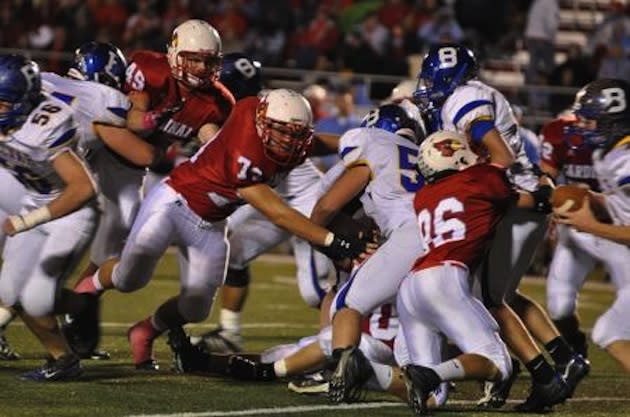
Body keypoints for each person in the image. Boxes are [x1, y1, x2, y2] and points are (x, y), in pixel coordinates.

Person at [67, 88, 372, 370]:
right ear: (263, 124)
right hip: (176, 201)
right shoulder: (247, 151)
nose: (288, 142)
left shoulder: (271, 127)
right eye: (281, 133)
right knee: (129, 278)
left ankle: (145, 330)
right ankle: (85, 292)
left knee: (196, 307)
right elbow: (279, 213)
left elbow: (311, 145)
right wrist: (334, 241)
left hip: (212, 221)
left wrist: (356, 147)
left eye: (296, 135)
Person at [414, 43, 585, 412]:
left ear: (449, 75)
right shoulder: (472, 95)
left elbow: (502, 155)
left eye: (430, 79)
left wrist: (473, 183)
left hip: (514, 203)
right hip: (520, 201)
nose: (426, 87)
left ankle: (544, 376)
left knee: (489, 301)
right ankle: (566, 359)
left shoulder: (462, 98)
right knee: (502, 295)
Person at [191, 53, 332, 353]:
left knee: (315, 292)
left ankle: (355, 335)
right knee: (233, 253)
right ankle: (230, 334)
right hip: (268, 201)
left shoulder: (267, 119)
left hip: (305, 203)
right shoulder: (254, 112)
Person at [40, 41, 157, 359]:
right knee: (39, 273)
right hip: (42, 184)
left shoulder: (48, 78)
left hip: (22, 170)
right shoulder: (104, 99)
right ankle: (65, 333)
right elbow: (142, 150)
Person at [308, 102, 427, 404]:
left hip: (406, 236)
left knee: (345, 304)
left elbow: (325, 207)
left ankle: (342, 372)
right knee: (417, 321)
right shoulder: (424, 154)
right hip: (441, 240)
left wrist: (321, 236)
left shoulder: (371, 145)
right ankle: (437, 375)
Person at [398, 130, 515, 415]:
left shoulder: (423, 196)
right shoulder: (479, 179)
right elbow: (509, 177)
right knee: (499, 362)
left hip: (410, 288)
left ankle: (365, 372)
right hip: (445, 279)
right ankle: (431, 374)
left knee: (433, 399)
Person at [0, 54, 98, 381]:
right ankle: (63, 358)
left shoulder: (45, 123)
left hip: (71, 212)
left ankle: (81, 309)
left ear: (22, 103)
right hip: (36, 201)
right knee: (10, 291)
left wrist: (27, 221)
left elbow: (84, 187)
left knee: (36, 299)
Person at [555, 78, 630, 373]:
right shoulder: (612, 154)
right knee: (609, 331)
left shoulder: (626, 161)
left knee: (609, 331)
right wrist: (592, 199)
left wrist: (590, 225)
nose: (582, 126)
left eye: (589, 121)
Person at [122, 18, 235, 196]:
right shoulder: (153, 71)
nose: (201, 67)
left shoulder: (218, 101)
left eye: (209, 61)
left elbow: (212, 142)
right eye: (193, 60)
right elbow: (130, 121)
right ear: (173, 55)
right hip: (111, 152)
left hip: (151, 170)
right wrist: (154, 118)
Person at [540, 114, 622, 359]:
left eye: (588, 119)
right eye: (581, 117)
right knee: (559, 307)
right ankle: (576, 347)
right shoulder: (562, 134)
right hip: (578, 228)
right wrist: (556, 203)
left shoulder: (623, 151)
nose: (581, 126)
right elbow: (546, 177)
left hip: (620, 230)